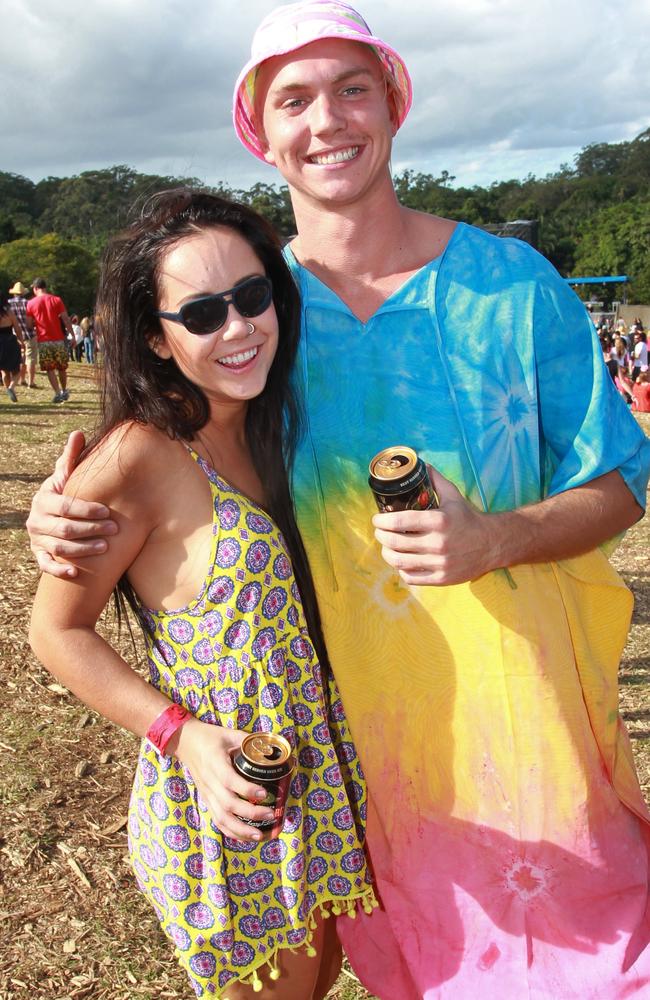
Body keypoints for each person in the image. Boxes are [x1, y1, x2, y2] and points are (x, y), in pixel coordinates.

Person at [25, 2, 650, 996]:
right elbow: (166, 456)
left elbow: (619, 479)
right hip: (354, 776)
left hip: (530, 750)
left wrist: (490, 537)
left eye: (353, 86)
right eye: (294, 99)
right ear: (260, 134)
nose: (327, 120)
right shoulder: (257, 319)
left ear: (394, 103)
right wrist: (61, 514)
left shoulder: (510, 285)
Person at [29, 190, 375, 999]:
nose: (239, 327)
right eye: (203, 312)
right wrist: (179, 737)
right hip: (230, 802)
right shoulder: (139, 456)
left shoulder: (277, 419)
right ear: (156, 336)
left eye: (253, 297)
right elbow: (56, 631)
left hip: (320, 780)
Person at [25, 276, 73, 403]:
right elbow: (66, 319)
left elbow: (29, 324)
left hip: (43, 339)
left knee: (49, 368)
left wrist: (37, 323)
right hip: (58, 338)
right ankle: (64, 390)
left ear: (35, 288)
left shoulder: (31, 303)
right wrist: (72, 335)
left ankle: (57, 393)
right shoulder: (56, 300)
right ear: (45, 287)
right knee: (62, 367)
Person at [8, 281, 37, 387]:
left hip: (14, 335)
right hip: (29, 334)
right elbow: (34, 319)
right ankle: (30, 382)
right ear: (23, 293)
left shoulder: (8, 304)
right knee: (30, 359)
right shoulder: (28, 303)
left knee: (20, 358)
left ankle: (21, 379)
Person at [0, 289, 25, 401]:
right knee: (17, 369)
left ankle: (8, 390)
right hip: (9, 341)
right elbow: (17, 328)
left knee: (4, 370)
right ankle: (11, 387)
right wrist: (21, 341)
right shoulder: (9, 311)